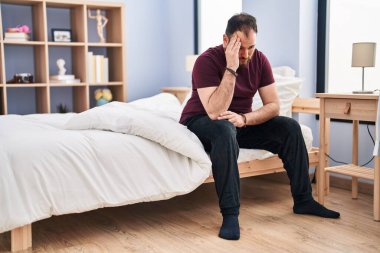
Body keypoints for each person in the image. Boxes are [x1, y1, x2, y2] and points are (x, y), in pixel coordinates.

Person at [180, 13, 340, 241]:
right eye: (240, 48)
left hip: (238, 122)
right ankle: (230, 214)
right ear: (226, 41)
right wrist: (232, 68)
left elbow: (273, 105)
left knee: (290, 128)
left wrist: (245, 119)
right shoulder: (206, 61)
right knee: (224, 130)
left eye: (251, 47)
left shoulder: (260, 60)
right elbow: (215, 111)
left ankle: (304, 200)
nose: (246, 55)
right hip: (202, 120)